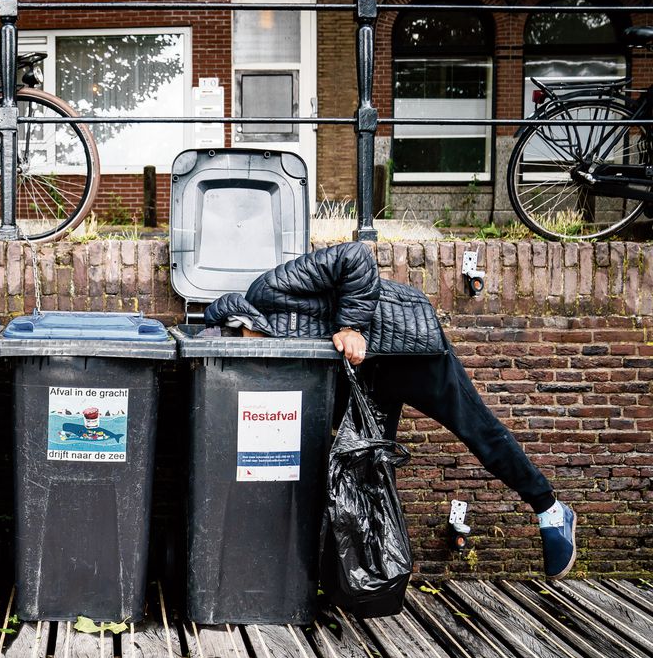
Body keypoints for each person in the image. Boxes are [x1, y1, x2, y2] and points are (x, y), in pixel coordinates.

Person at [204, 241, 577, 578]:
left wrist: (351, 326)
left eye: (241, 343)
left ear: (241, 323)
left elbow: (355, 258)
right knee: (370, 475)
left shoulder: (268, 290)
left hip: (407, 348)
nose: (250, 360)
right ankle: (376, 578)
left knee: (475, 428)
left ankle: (550, 510)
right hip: (368, 381)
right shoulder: (267, 355)